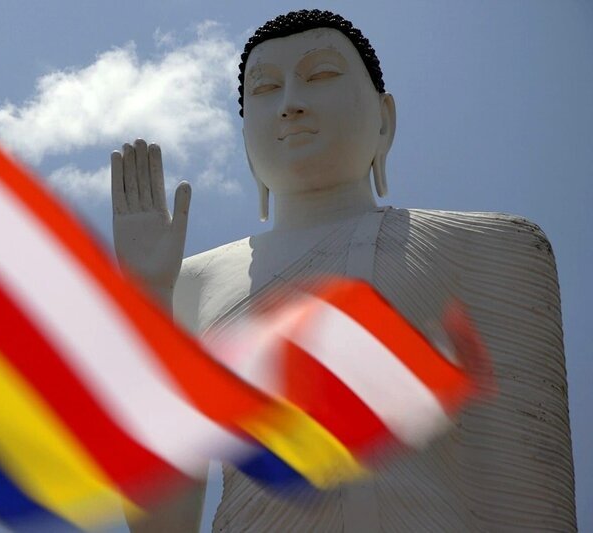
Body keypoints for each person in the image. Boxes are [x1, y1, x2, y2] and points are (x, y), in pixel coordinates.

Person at [111, 9, 576, 532]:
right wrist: (148, 293)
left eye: (321, 75)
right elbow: (163, 525)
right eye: (265, 89)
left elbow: (528, 488)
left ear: (384, 118)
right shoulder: (191, 285)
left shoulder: (485, 245)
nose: (290, 104)